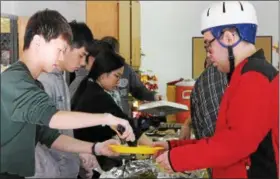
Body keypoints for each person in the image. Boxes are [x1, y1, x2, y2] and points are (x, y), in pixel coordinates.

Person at [0, 9, 135, 178]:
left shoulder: (35, 84)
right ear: (37, 42)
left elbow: (50, 137)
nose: (62, 56)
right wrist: (107, 118)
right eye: (59, 49)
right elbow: (54, 117)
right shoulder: (15, 81)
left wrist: (96, 148)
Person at [153, 1, 279, 178]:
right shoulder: (241, 76)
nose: (208, 55)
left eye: (208, 45)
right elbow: (222, 139)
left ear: (229, 38)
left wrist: (178, 159)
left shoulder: (255, 76)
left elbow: (236, 144)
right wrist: (174, 147)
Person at [30, 21, 98, 179]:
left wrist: (78, 155)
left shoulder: (59, 78)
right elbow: (46, 137)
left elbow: (62, 131)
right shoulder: (43, 81)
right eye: (81, 55)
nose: (82, 63)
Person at [72, 49, 153, 171]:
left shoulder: (87, 83)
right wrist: (152, 147)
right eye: (116, 76)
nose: (118, 82)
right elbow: (125, 123)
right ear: (103, 73)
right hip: (91, 158)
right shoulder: (97, 95)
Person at [101, 36, 162, 116]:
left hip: (124, 119)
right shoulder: (95, 70)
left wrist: (154, 96)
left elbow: (139, 90)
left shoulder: (126, 68)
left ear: (117, 53)